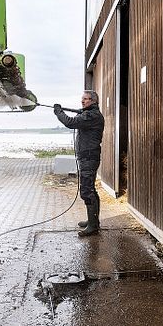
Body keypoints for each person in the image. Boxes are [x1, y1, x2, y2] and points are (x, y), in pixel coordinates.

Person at [53, 90, 105, 237]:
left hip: (89, 158)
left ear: (94, 101)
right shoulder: (88, 114)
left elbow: (70, 123)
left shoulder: (92, 116)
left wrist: (58, 112)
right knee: (91, 190)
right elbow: (79, 118)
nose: (83, 101)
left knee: (86, 192)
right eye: (82, 99)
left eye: (87, 99)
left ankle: (93, 226)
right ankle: (93, 221)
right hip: (87, 157)